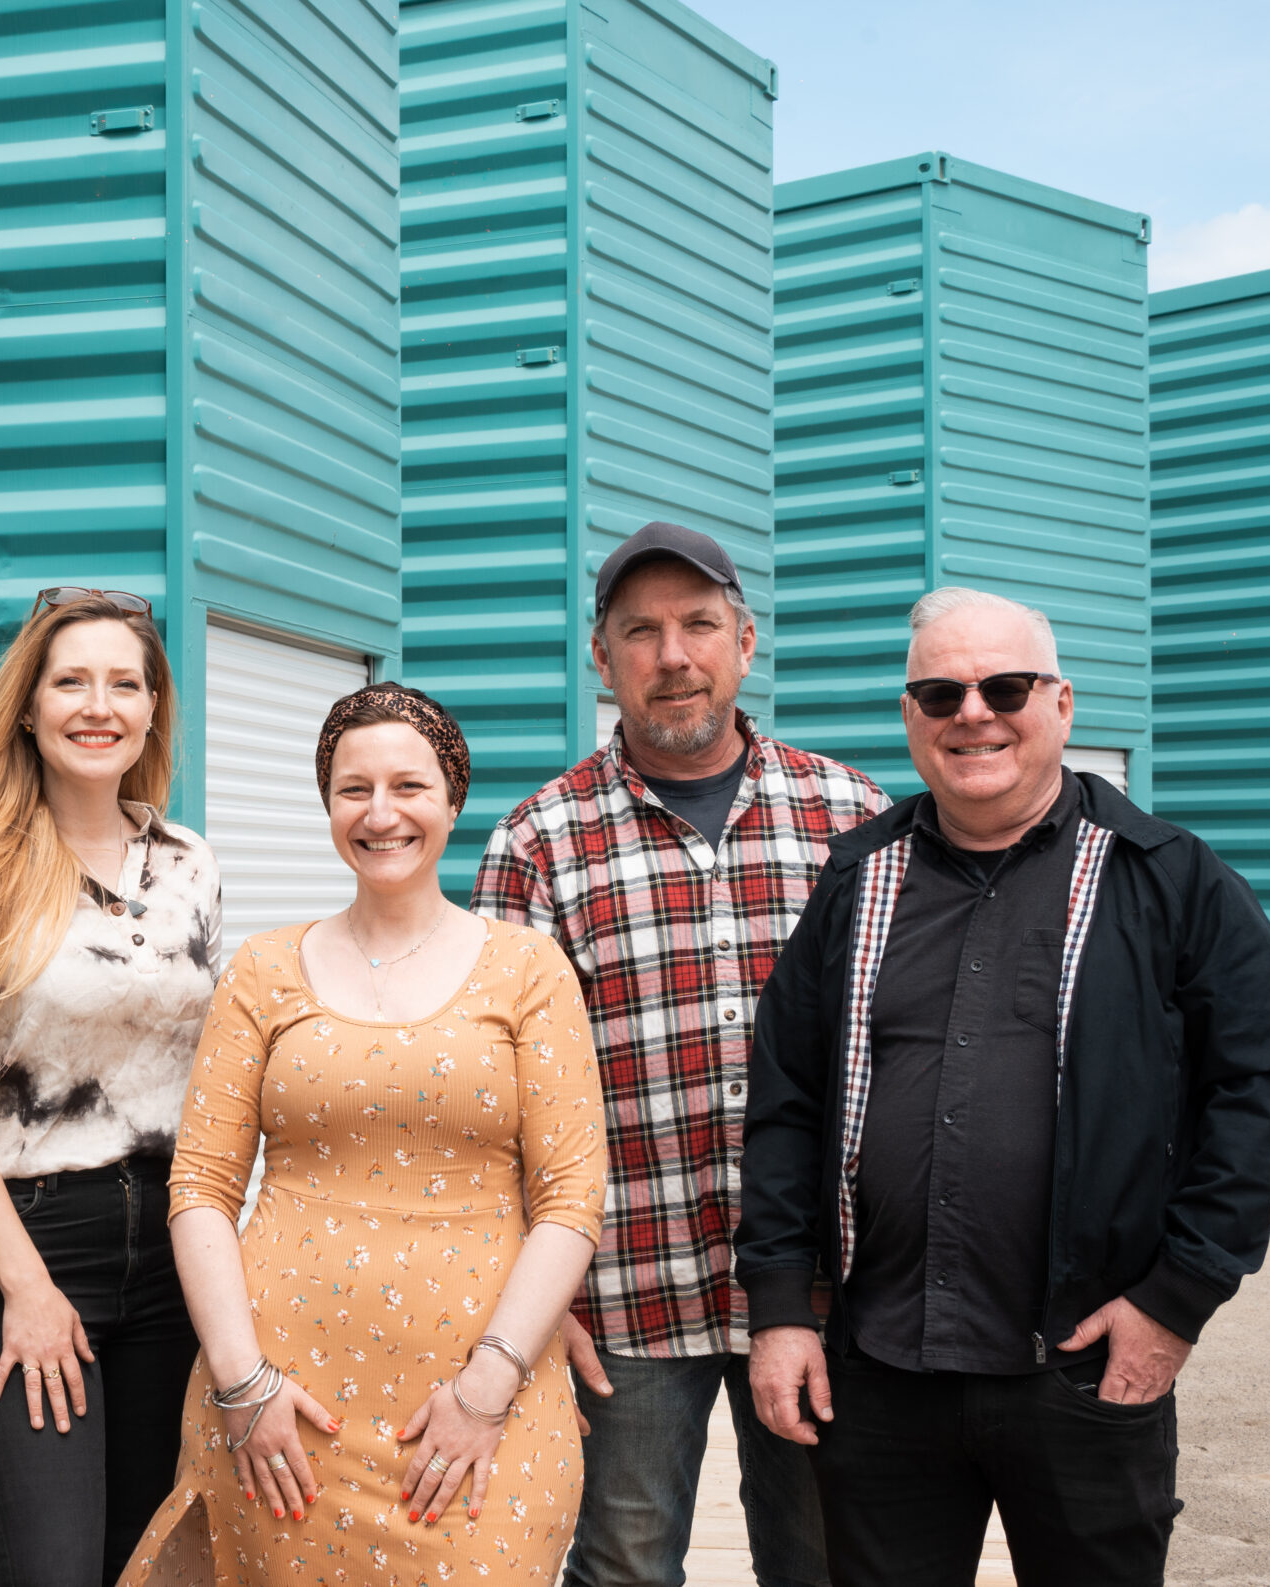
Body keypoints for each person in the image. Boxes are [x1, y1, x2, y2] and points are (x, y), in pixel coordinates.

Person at [736, 586, 1270, 1586]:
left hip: (1082, 1369)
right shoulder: (854, 882)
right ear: (911, 714)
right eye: (938, 692)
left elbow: (1258, 1090)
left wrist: (1176, 1298)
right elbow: (785, 1102)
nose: (972, 712)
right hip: (879, 1376)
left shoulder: (1170, 880)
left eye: (1004, 685)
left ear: (1060, 705)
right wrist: (782, 1308)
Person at [122, 683, 609, 1587]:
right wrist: (242, 1384)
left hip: (481, 1417)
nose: (381, 813)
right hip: (281, 1417)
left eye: (409, 786)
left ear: (452, 797)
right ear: (328, 804)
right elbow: (200, 1189)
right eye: (354, 789)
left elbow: (572, 1200)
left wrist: (484, 1393)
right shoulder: (265, 970)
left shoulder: (529, 971)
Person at [471, 522, 884, 1587]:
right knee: (622, 1564)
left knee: (828, 1557)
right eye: (640, 631)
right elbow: (496, 1091)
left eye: (699, 625)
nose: (673, 654)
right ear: (600, 659)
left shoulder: (851, 819)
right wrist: (528, 1290)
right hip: (618, 1288)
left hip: (821, 1290)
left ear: (745, 642)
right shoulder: (538, 842)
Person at [0, 588, 222, 1587]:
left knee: (144, 1562)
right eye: (70, 681)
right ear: (28, 707)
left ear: (154, 708)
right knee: (52, 1570)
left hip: (168, 1248)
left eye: (125, 683)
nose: (99, 705)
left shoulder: (188, 864)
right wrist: (25, 1288)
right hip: (23, 1244)